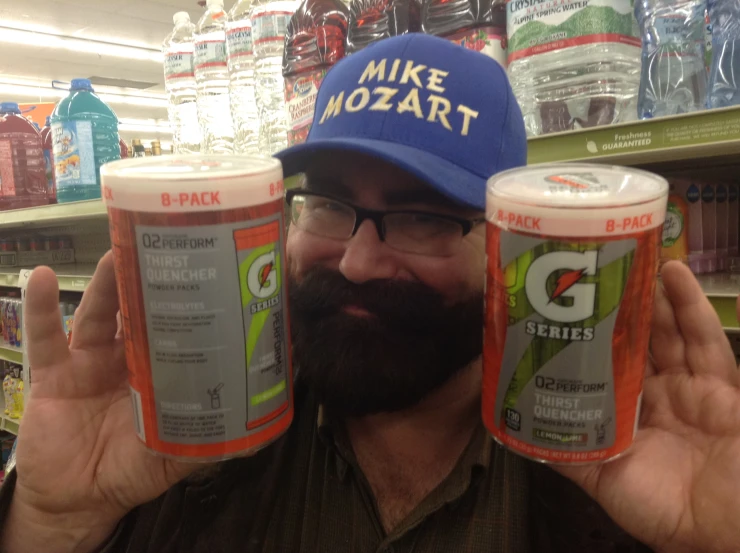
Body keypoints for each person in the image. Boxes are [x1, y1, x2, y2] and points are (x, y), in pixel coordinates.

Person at [1, 34, 739, 553]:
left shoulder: (601, 470)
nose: (355, 262)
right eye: (325, 204)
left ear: (509, 246)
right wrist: (51, 522)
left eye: (422, 216)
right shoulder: (189, 452)